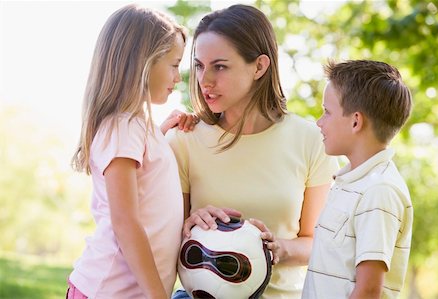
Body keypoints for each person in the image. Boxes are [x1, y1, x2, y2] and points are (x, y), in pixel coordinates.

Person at [167, 4, 338, 298]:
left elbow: (318, 242)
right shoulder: (184, 140)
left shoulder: (311, 140)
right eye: (198, 65)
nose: (205, 80)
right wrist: (189, 226)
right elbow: (165, 241)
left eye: (219, 66)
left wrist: (277, 248)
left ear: (259, 66)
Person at [67, 4, 197, 298]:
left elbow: (147, 179)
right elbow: (125, 221)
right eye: (174, 65)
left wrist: (161, 134)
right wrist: (157, 295)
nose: (178, 78)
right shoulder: (124, 127)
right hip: (110, 290)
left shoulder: (136, 127)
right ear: (143, 63)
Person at [302, 60, 413, 298]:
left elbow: (368, 290)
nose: (319, 123)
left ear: (355, 121)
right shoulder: (349, 183)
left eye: (326, 112)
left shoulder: (379, 191)